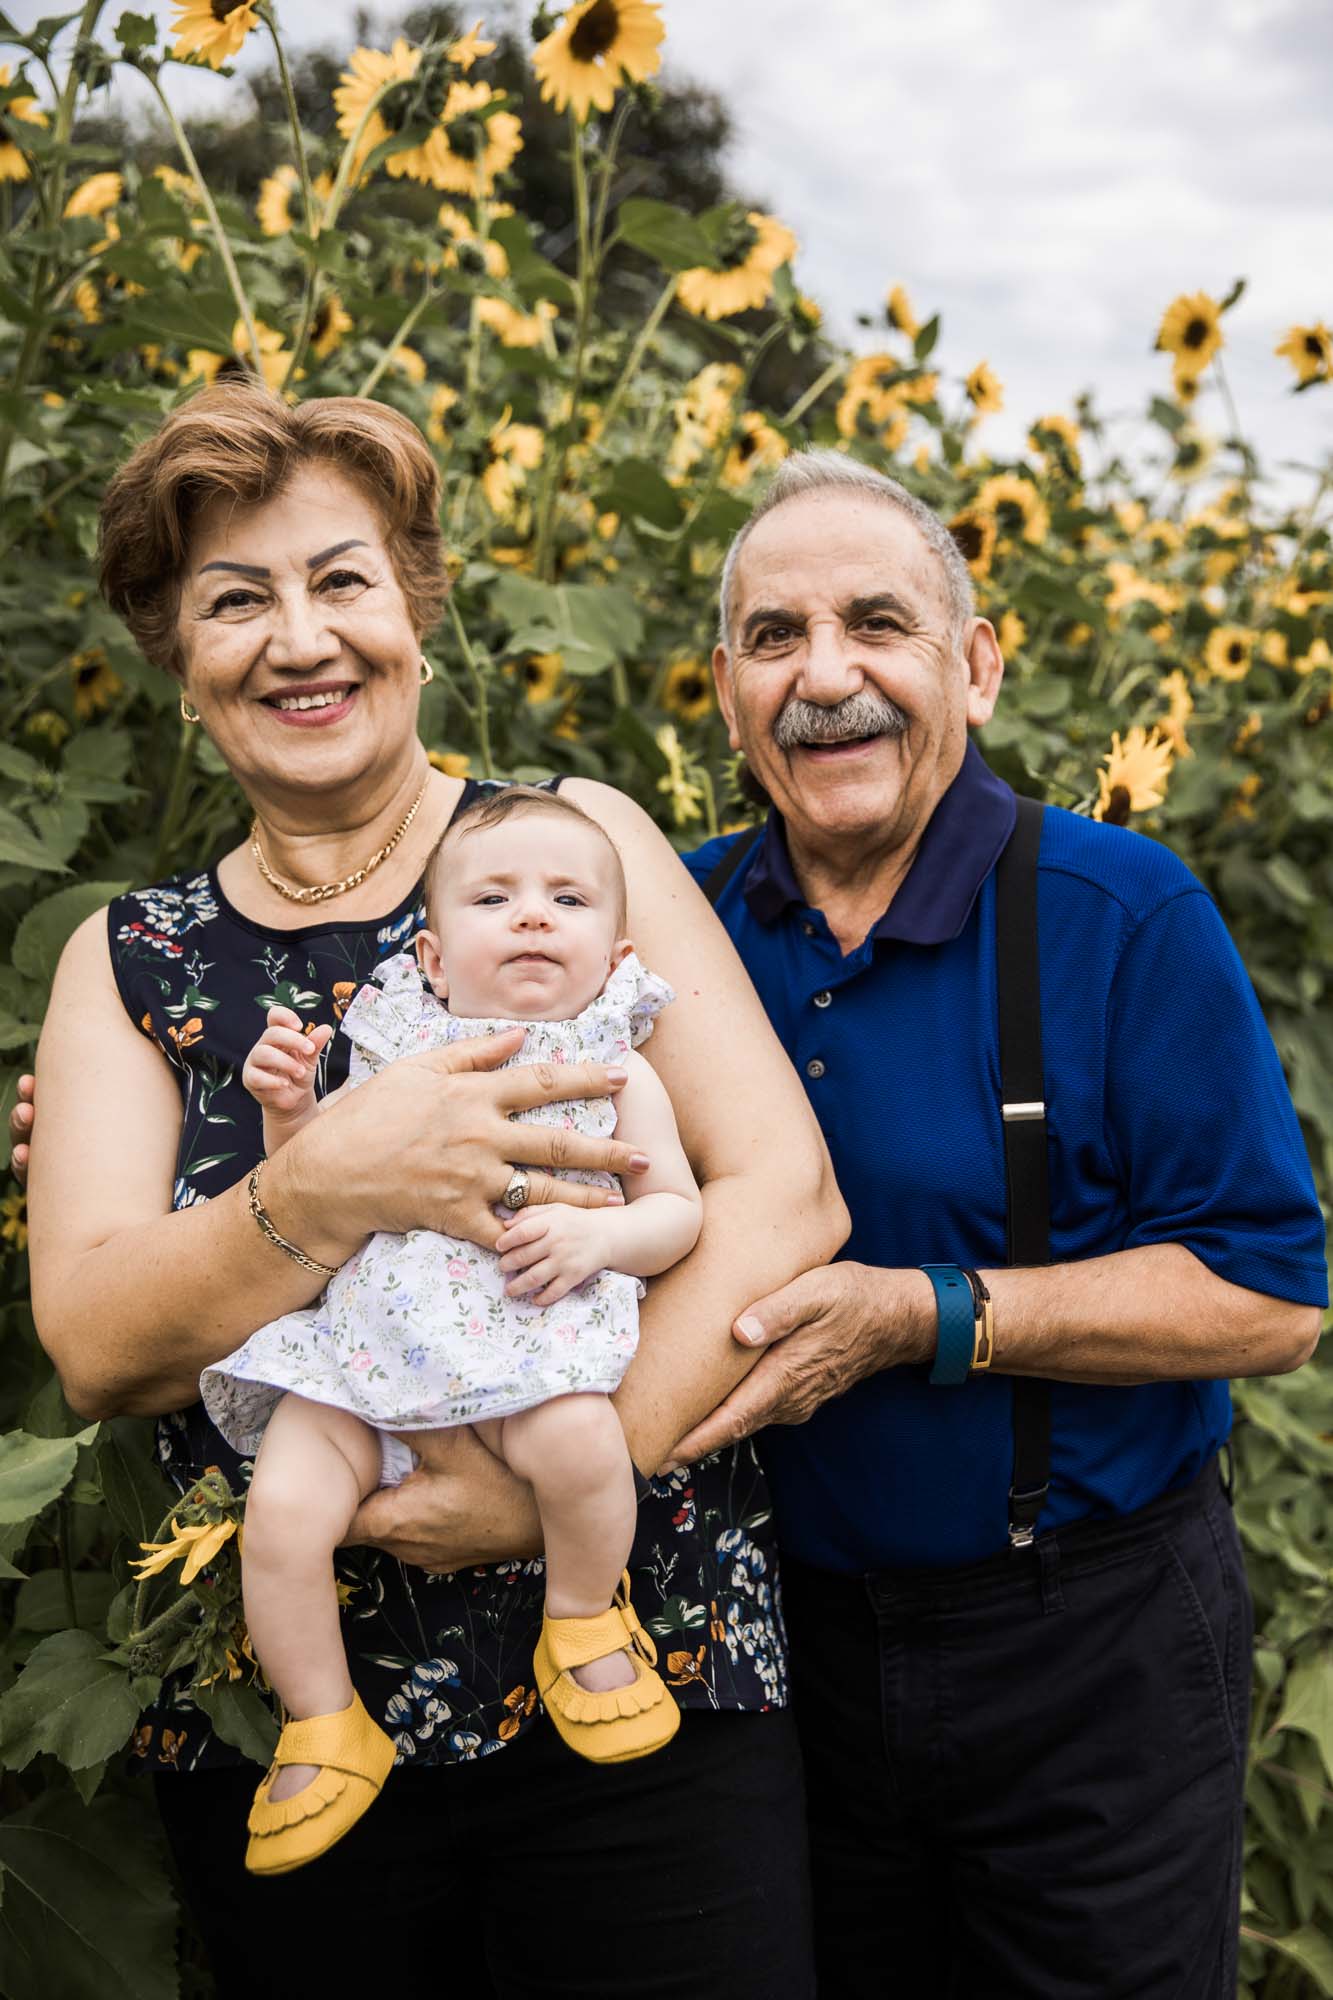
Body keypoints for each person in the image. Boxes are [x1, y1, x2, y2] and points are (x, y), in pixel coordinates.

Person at [24, 384, 848, 1998]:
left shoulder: (572, 850)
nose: (298, 638)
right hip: (290, 1730)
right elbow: (97, 1341)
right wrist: (320, 1190)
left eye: (340, 580)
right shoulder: (127, 957)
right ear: (176, 663)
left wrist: (547, 1483)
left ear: (415, 601)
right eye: (234, 601)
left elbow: (779, 1199)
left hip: (645, 1670)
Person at [671, 450, 1327, 2000]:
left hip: (1083, 1644)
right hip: (780, 1656)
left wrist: (931, 1314)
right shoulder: (668, 931)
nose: (824, 677)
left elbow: (1269, 1294)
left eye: (876, 625)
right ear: (722, 689)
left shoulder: (1117, 912)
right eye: (775, 638)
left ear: (973, 665)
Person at [204, 785, 702, 1875]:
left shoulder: (617, 1063)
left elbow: (677, 1210)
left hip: (525, 1343)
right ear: (431, 956)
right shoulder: (395, 1048)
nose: (531, 915)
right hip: (363, 1356)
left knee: (581, 1445)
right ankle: (321, 1720)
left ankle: (580, 1619)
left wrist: (601, 1244)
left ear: (615, 949)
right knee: (280, 1512)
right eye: (494, 896)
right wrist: (288, 1107)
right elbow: (309, 1176)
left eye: (564, 897)